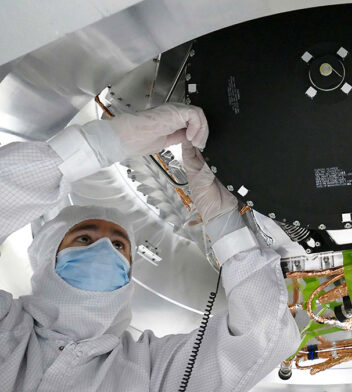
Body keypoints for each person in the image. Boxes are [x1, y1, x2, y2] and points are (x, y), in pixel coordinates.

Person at [0, 103, 299, 391]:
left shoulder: (153, 368)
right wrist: (101, 143)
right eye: (84, 238)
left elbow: (258, 339)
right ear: (45, 255)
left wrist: (224, 223)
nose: (104, 248)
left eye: (119, 244)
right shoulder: (7, 331)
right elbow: (260, 335)